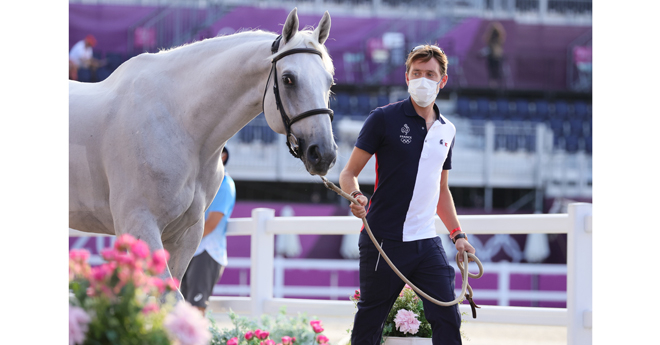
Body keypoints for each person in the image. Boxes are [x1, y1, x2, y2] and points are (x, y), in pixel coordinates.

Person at [339, 45, 476, 345]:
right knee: (369, 326)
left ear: (443, 81)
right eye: (417, 73)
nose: (422, 80)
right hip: (383, 242)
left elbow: (441, 190)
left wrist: (458, 234)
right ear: (406, 77)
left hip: (426, 242)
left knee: (448, 319)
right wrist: (355, 196)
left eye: (430, 74)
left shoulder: (447, 130)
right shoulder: (383, 118)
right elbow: (348, 174)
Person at [180, 146, 236, 313]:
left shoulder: (224, 185)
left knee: (196, 309)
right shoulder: (205, 183)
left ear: (223, 156)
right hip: (195, 251)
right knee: (185, 307)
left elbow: (211, 224)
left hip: (207, 251)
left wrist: (183, 241)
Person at [482, 21, 506, 88]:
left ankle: (494, 86)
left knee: (494, 75)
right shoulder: (497, 39)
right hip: (495, 57)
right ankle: (494, 86)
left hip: (495, 58)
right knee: (494, 74)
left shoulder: (496, 39)